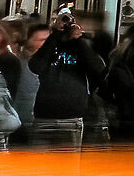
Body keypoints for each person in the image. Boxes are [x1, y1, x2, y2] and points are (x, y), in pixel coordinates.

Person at [27, 11, 106, 147]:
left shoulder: (82, 46)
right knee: (38, 165)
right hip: (44, 117)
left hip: (72, 118)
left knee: (67, 166)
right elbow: (36, 67)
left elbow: (98, 69)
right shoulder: (49, 44)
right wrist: (55, 35)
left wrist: (78, 39)